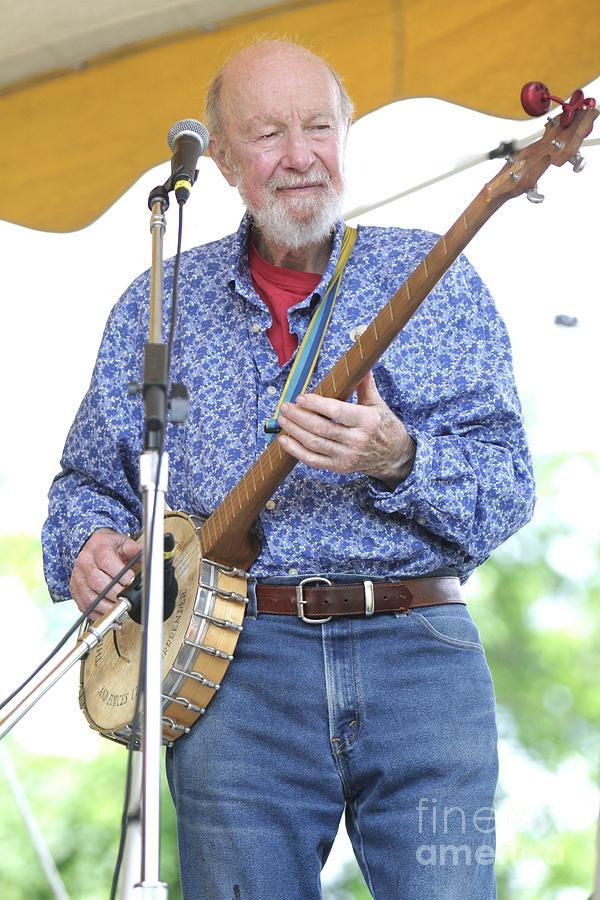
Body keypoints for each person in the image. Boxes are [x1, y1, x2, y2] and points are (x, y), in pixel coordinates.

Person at [42, 39, 535, 900]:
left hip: (420, 659)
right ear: (224, 160)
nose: (300, 153)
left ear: (346, 132)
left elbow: (508, 488)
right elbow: (87, 483)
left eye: (318, 126)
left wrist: (399, 458)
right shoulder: (159, 299)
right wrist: (87, 543)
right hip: (233, 674)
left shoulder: (434, 272)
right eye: (268, 133)